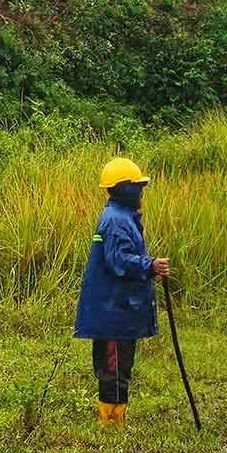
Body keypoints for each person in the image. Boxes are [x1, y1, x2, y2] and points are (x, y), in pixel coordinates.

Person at [74, 158, 170, 428]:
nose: (141, 191)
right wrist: (149, 266)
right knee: (114, 371)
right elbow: (119, 260)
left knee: (119, 368)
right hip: (112, 312)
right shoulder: (116, 220)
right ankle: (111, 426)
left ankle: (116, 422)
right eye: (137, 186)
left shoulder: (122, 216)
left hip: (118, 311)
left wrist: (149, 267)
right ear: (123, 188)